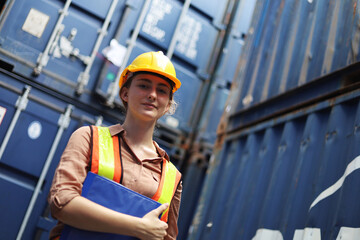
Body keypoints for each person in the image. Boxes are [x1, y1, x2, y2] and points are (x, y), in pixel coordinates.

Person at [48, 51, 182, 240]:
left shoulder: (172, 176)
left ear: (168, 105)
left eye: (161, 90)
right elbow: (61, 203)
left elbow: (166, 237)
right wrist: (137, 227)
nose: (152, 95)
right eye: (144, 86)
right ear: (125, 93)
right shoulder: (89, 138)